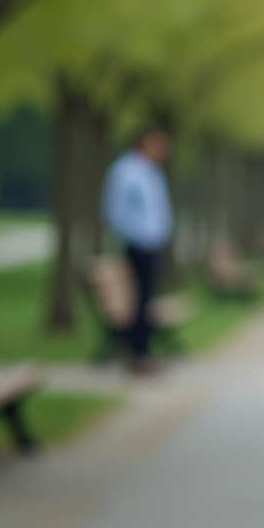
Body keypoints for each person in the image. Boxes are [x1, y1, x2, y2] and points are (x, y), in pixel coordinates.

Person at [101, 128, 174, 374]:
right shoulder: (126, 171)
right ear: (143, 143)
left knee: (146, 299)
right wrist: (139, 234)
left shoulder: (150, 171)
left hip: (151, 243)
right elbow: (116, 210)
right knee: (140, 300)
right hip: (138, 244)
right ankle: (138, 355)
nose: (162, 151)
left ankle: (143, 352)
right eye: (158, 145)